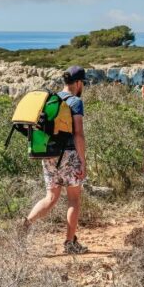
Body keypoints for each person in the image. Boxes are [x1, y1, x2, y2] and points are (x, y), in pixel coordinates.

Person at [20, 66, 89, 254]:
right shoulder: (75, 102)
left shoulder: (51, 100)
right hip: (69, 155)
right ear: (78, 83)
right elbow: (78, 134)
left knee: (50, 197)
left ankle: (25, 224)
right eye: (83, 83)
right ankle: (69, 243)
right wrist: (82, 161)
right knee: (74, 199)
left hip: (48, 154)